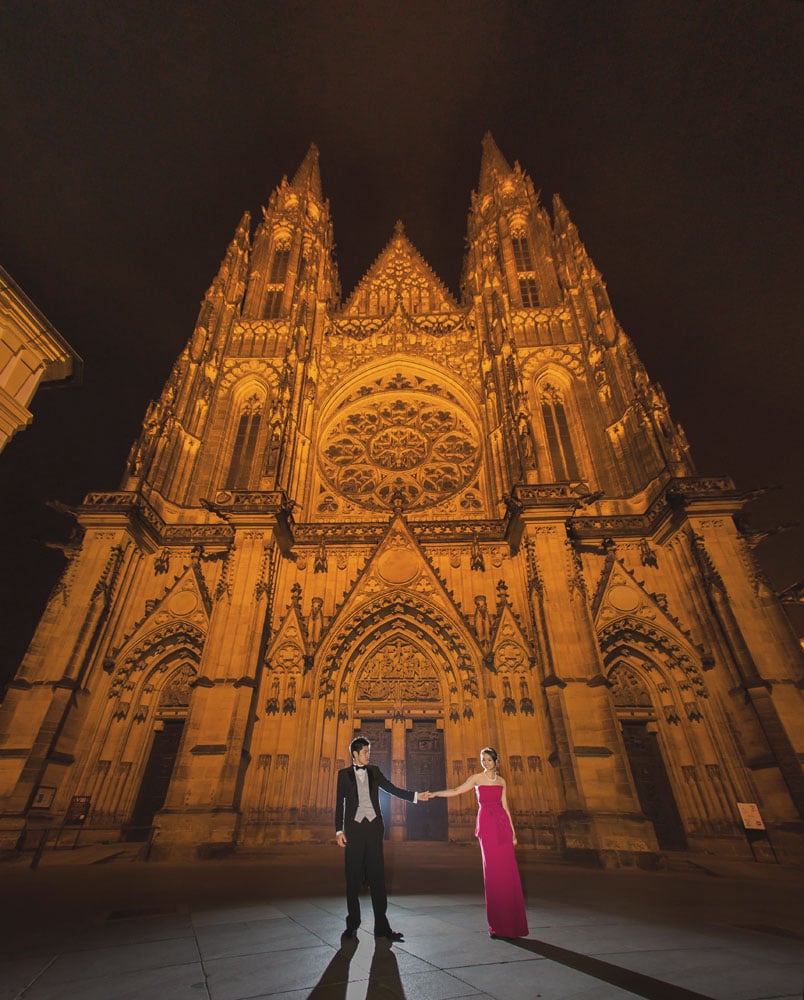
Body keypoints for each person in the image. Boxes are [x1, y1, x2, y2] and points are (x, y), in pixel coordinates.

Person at [335, 737, 431, 942]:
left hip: (373, 830)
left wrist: (415, 796)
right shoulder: (343, 775)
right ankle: (352, 925)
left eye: (369, 752)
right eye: (365, 752)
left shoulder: (374, 772)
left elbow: (392, 789)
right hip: (353, 831)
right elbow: (338, 805)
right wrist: (338, 831)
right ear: (355, 754)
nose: (368, 755)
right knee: (352, 880)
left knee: (377, 879)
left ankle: (382, 926)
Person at [431, 747, 528, 939]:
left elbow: (506, 807)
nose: (485, 763)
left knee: (508, 874)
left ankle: (513, 925)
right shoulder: (476, 778)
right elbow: (457, 790)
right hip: (487, 826)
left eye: (489, 760)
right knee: (492, 874)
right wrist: (435, 794)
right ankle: (498, 926)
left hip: (502, 826)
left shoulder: (501, 781)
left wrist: (513, 833)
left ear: (496, 761)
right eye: (483, 760)